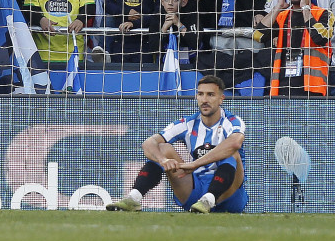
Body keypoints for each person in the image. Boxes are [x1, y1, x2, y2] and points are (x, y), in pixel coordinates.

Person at [106, 74, 247, 213]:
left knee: (231, 153)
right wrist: (163, 160)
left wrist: (195, 164)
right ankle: (133, 198)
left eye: (210, 95)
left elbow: (235, 143)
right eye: (201, 94)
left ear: (221, 99)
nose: (204, 100)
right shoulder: (187, 123)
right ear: (196, 97)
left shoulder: (233, 121)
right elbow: (148, 143)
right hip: (194, 190)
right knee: (163, 148)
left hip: (229, 196)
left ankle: (209, 199)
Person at [255, 0, 335, 96]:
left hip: (313, 87)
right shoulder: (282, 15)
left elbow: (320, 38)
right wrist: (277, 8)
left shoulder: (324, 14)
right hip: (282, 85)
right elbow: (258, 36)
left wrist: (305, 8)